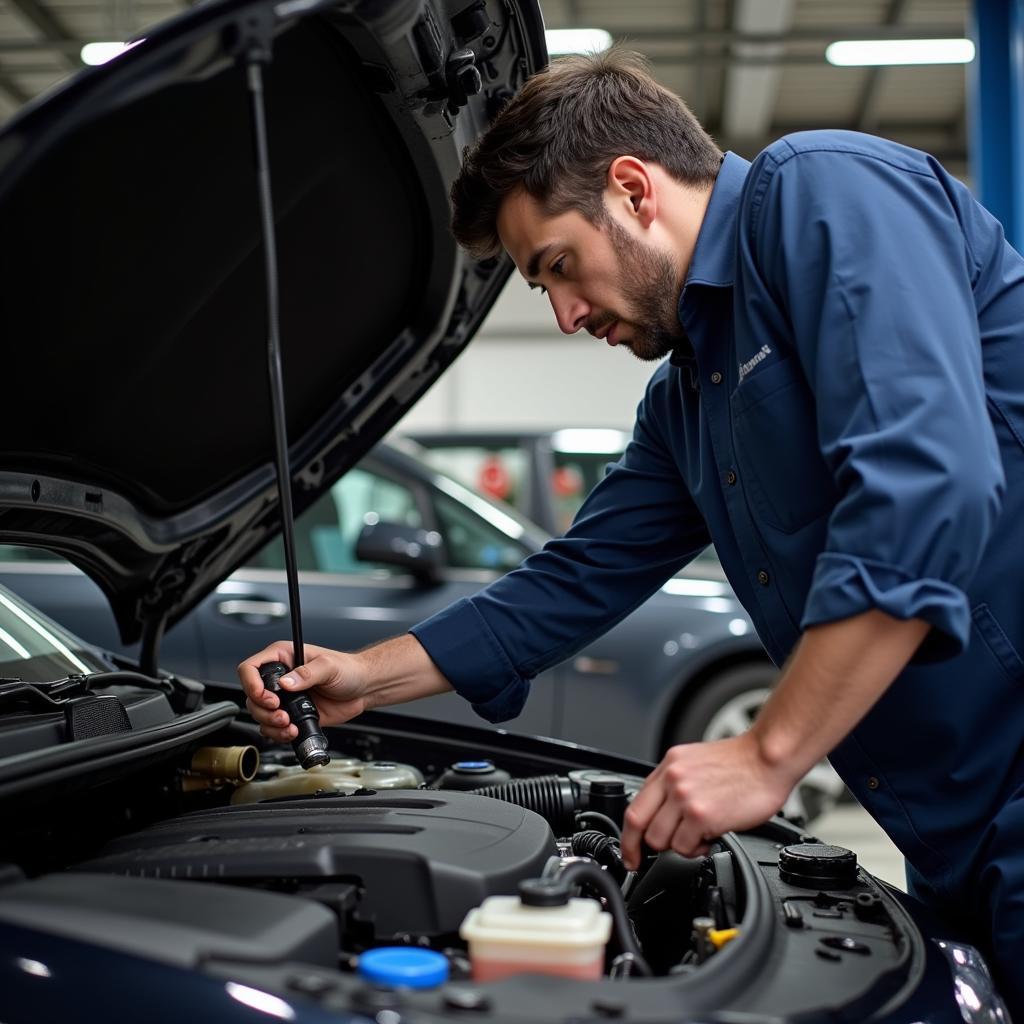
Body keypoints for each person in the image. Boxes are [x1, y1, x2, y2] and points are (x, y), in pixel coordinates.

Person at [239, 49, 1024, 1009]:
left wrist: (764, 755)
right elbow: (575, 578)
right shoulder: (687, 399)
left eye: (559, 267)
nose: (566, 313)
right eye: (544, 290)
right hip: (950, 833)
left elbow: (927, 484)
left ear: (632, 188)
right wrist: (369, 673)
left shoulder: (823, 190)